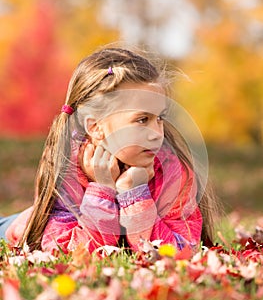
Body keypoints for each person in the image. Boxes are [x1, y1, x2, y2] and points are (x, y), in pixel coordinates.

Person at [4, 46, 216, 254]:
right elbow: (73, 252)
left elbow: (180, 250)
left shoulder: (172, 172)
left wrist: (135, 196)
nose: (157, 133)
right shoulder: (67, 171)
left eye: (159, 118)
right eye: (142, 120)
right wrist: (102, 189)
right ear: (95, 127)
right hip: (14, 227)